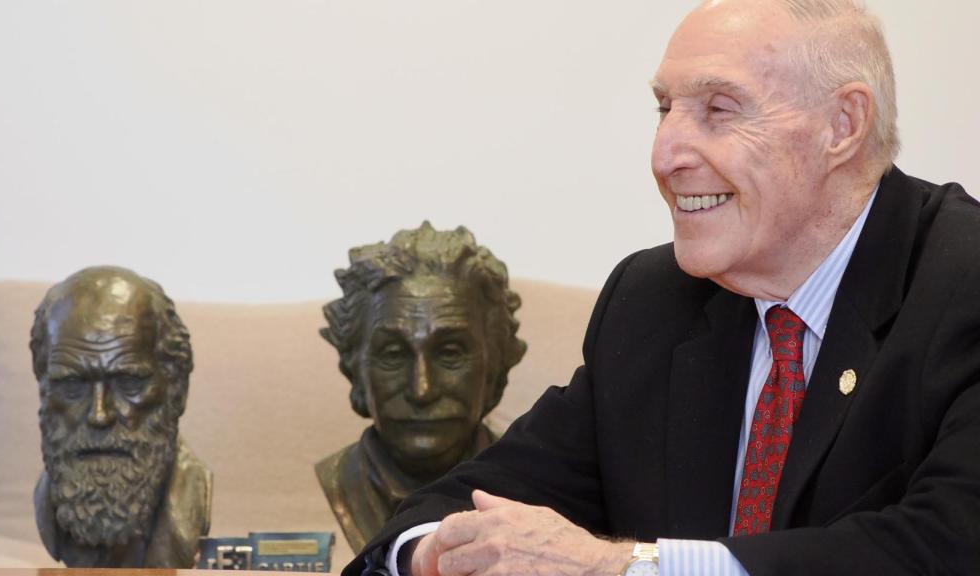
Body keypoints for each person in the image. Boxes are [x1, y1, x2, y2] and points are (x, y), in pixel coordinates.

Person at [343, 0, 980, 574]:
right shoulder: (654, 300)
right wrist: (435, 554)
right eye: (664, 108)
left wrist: (622, 568)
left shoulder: (963, 283)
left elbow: (947, 545)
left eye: (718, 109)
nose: (665, 153)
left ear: (842, 124)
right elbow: (475, 497)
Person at [316, 221, 527, 553]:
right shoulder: (329, 485)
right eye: (393, 354)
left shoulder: (535, 487)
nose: (422, 390)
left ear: (496, 364)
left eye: (450, 353)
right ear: (354, 368)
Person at [31, 266, 211, 568]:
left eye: (128, 384)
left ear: (177, 390)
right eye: (73, 387)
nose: (99, 415)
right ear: (45, 390)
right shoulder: (48, 499)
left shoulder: (192, 498)